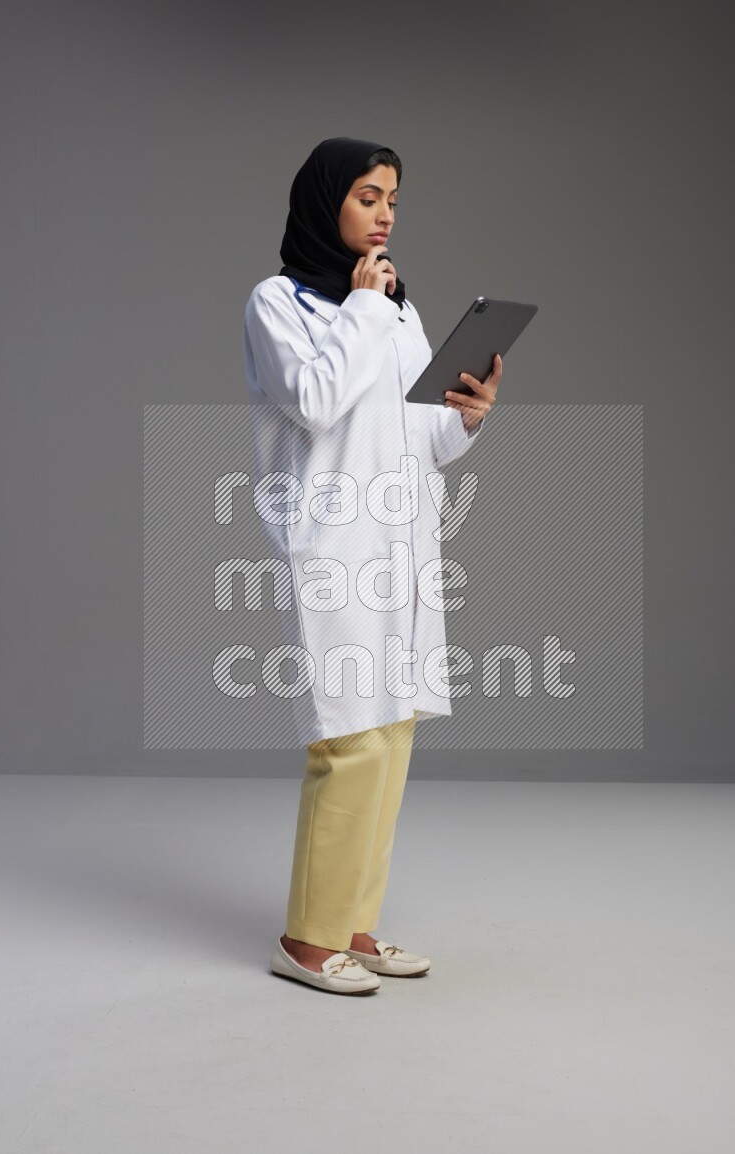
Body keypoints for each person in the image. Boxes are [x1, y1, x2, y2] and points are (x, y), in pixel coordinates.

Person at [242, 137, 501, 994]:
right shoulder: (277, 303)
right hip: (333, 549)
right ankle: (308, 943)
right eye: (366, 195)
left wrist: (466, 416)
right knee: (347, 742)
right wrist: (360, 312)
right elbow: (313, 402)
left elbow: (423, 436)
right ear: (326, 204)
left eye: (392, 196)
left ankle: (354, 926)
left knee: (392, 737)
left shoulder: (397, 309)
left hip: (403, 542)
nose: (386, 212)